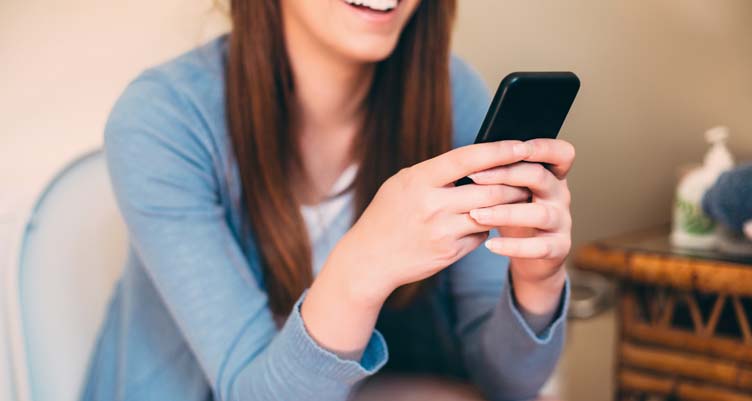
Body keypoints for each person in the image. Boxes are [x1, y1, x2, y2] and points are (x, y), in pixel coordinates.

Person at [80, 1, 575, 400]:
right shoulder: (161, 121)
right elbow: (251, 393)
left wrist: (536, 283)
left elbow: (508, 385)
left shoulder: (450, 95)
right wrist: (364, 265)